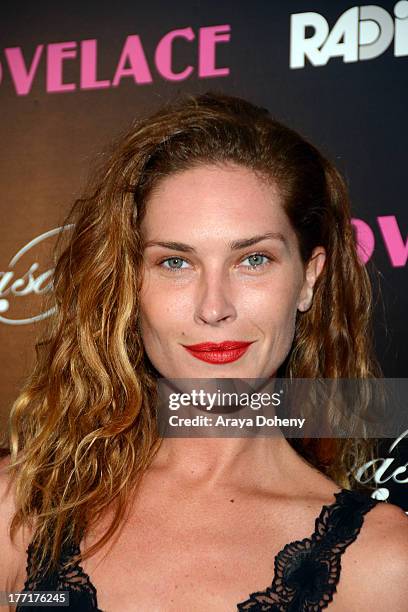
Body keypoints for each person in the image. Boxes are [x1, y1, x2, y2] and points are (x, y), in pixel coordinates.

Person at [0, 91, 407, 612]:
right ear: (127, 282)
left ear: (308, 278)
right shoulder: (25, 512)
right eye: (175, 263)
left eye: (253, 259)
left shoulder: (384, 564)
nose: (214, 308)